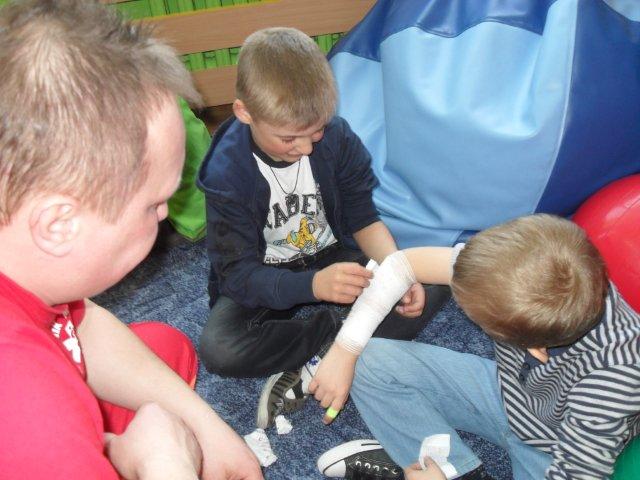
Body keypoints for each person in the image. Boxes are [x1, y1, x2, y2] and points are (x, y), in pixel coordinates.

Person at [0, 1, 262, 479]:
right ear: (58, 225)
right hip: (43, 429)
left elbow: (78, 322)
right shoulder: (32, 416)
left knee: (164, 353)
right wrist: (166, 464)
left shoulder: (25, 268)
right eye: (153, 204)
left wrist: (206, 425)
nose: (164, 215)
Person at [197, 26, 450, 429]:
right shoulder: (226, 174)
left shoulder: (337, 137)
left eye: (316, 130)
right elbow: (238, 276)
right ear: (245, 113)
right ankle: (338, 338)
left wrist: (397, 270)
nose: (306, 148)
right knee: (220, 348)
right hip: (265, 271)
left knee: (431, 283)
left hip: (334, 252)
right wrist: (313, 287)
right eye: (289, 138)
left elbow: (363, 219)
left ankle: (333, 352)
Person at [317, 214, 640, 479]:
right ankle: (451, 468)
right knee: (369, 361)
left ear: (534, 348)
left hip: (558, 447)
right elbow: (402, 265)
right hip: (510, 395)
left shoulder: (614, 379)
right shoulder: (518, 267)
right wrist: (345, 348)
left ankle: (427, 461)